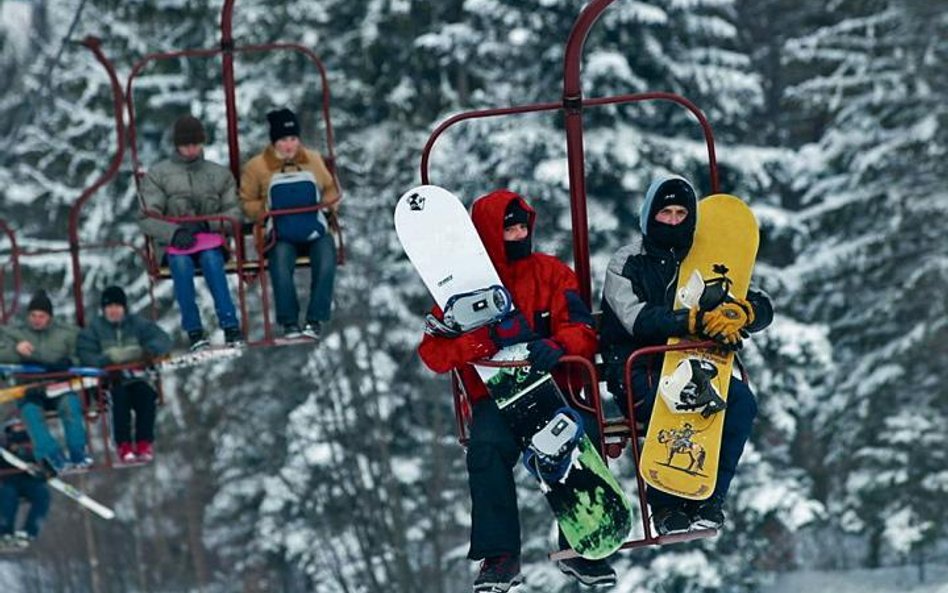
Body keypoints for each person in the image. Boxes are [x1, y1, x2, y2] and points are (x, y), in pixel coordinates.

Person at [418, 190, 614, 592]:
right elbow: (433, 353)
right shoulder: (461, 288)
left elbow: (580, 329)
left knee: (584, 437)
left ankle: (582, 543)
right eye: (509, 228)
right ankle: (500, 555)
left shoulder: (552, 273)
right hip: (498, 395)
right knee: (487, 448)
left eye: (524, 226)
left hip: (552, 389)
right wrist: (481, 343)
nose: (519, 234)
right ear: (490, 232)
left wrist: (557, 347)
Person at [599, 175, 773, 535]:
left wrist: (744, 313)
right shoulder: (628, 262)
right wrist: (690, 320)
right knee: (676, 400)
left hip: (694, 363)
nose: (674, 221)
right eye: (666, 213)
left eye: (681, 213)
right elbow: (636, 318)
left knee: (740, 402)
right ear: (651, 216)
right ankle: (665, 507)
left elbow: (754, 298)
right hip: (640, 363)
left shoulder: (705, 257)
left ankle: (710, 498)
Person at [139, 114, 245, 351]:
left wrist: (209, 225)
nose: (191, 150)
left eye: (195, 144)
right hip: (176, 244)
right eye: (186, 145)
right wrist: (173, 232)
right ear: (177, 145)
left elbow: (235, 212)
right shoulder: (159, 175)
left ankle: (231, 325)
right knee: (181, 265)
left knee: (211, 261)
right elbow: (147, 216)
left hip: (210, 241)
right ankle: (194, 331)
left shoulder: (218, 175)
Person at [240, 107, 341, 341]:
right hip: (281, 233)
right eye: (284, 139)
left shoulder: (312, 160)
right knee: (280, 264)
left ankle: (315, 319)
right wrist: (266, 209)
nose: (289, 145)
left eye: (293, 139)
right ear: (275, 141)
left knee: (327, 259)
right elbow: (245, 202)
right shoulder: (257, 167)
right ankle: (289, 322)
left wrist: (325, 206)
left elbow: (330, 188)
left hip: (313, 228)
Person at [77, 286, 172, 464]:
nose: (114, 311)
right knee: (119, 399)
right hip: (110, 380)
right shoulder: (94, 329)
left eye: (117, 306)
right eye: (109, 307)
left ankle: (144, 442)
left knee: (147, 395)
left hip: (136, 376)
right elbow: (85, 354)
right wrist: (106, 360)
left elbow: (163, 339)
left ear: (124, 308)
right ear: (103, 309)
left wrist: (148, 351)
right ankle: (123, 444)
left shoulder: (137, 324)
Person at [0, 290, 91, 474]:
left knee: (70, 407)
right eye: (33, 315)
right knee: (31, 414)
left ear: (49, 317)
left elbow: (84, 354)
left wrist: (69, 363)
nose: (36, 320)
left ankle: (78, 452)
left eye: (41, 316)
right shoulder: (16, 333)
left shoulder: (67, 333)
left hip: (58, 386)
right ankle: (52, 456)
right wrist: (17, 351)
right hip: (29, 388)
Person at [0, 418, 51, 549]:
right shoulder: (4, 445)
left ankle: (29, 531)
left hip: (32, 481)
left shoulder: (37, 444)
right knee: (7, 498)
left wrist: (46, 472)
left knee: (42, 495)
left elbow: (49, 465)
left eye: (22, 425)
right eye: (16, 426)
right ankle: (4, 532)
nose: (19, 428)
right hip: (10, 481)